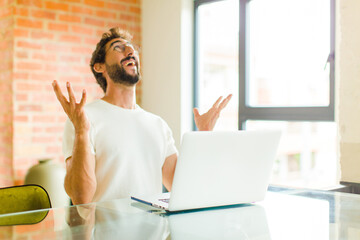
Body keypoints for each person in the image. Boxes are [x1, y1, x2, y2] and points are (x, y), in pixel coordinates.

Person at [52, 27, 232, 205]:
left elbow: (182, 188)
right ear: (100, 67)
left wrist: (204, 134)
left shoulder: (157, 124)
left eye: (132, 48)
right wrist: (82, 132)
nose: (131, 52)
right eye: (118, 48)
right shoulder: (83, 119)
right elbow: (81, 198)